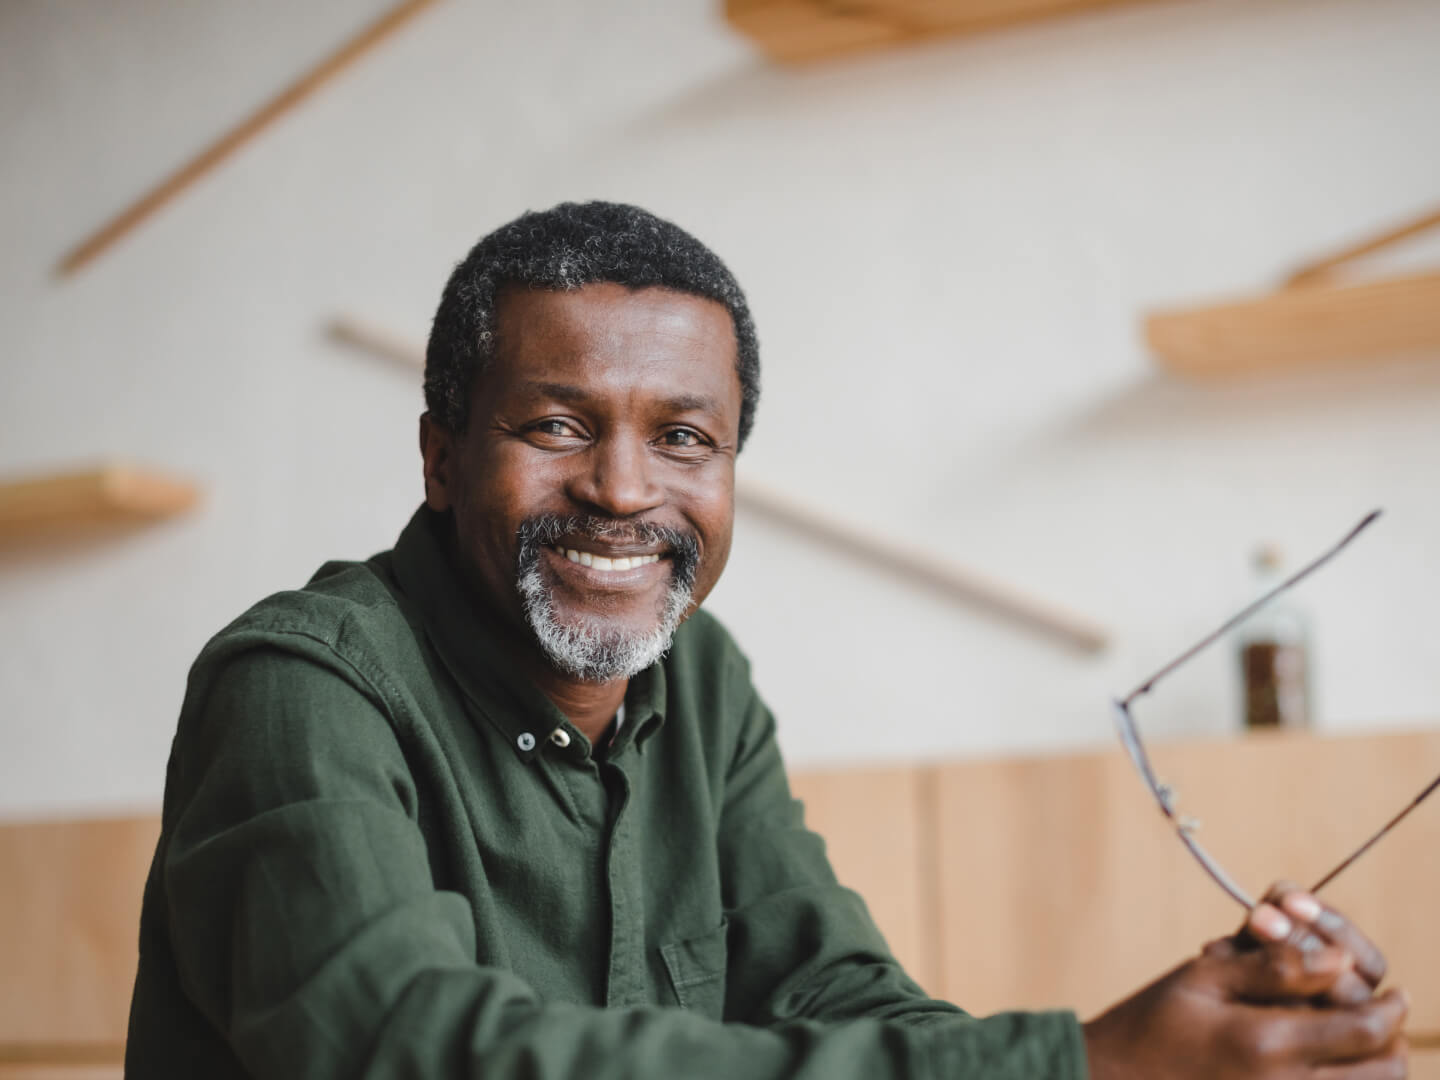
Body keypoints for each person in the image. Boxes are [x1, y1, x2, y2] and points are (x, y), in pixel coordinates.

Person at [125, 201, 1408, 1078]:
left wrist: (1213, 1014)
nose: (626, 492)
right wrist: (1077, 1064)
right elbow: (414, 1051)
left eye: (685, 438)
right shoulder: (301, 687)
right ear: (441, 458)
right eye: (559, 427)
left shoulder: (700, 677)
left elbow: (836, 995)